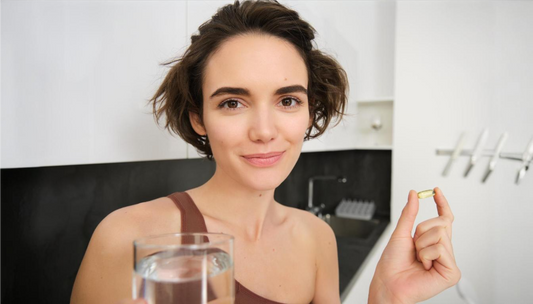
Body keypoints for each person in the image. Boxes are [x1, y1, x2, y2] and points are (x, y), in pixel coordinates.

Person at [71, 1, 461, 303]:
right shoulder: (127, 238)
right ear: (198, 119)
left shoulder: (317, 238)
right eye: (232, 103)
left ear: (310, 111)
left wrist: (387, 297)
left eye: (288, 101)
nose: (264, 131)